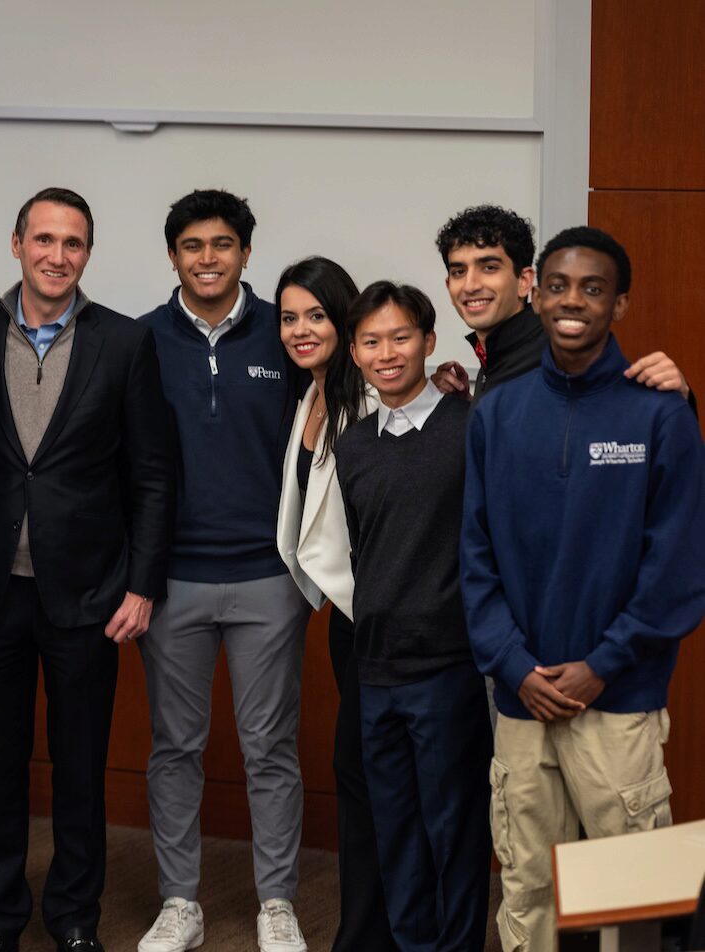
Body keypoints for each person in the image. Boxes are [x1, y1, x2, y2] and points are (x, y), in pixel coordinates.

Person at [463, 227, 705, 952]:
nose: (574, 302)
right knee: (528, 887)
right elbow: (473, 558)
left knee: (629, 897)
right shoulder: (497, 416)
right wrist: (512, 666)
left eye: (593, 289)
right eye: (561, 286)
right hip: (522, 698)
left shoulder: (660, 414)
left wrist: (603, 663)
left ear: (620, 303)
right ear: (536, 294)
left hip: (621, 700)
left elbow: (678, 571)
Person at [0, 187, 173, 952]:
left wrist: (142, 583)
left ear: (88, 253)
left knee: (81, 772)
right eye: (43, 239)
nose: (57, 256)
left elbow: (151, 473)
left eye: (72, 243)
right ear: (16, 244)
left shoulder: (123, 342)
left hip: (88, 595)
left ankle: (75, 917)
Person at [136, 190, 310, 952]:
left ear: (247, 251)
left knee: (269, 748)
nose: (208, 257)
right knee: (175, 746)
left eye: (224, 244)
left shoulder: (289, 333)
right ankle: (181, 901)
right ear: (172, 254)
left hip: (269, 578)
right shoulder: (137, 340)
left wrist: (445, 379)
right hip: (171, 582)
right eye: (193, 245)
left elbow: (358, 399)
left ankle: (277, 901)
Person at [335, 282, 491, 952]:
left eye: (401, 337)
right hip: (375, 672)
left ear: (429, 343)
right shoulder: (354, 446)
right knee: (394, 832)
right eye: (371, 341)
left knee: (453, 832)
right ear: (355, 352)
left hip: (448, 670)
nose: (387, 353)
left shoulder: (470, 427)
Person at [270, 258, 395, 952]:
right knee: (357, 776)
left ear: (345, 322)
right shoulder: (310, 396)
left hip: (384, 622)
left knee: (375, 780)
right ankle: (362, 931)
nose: (300, 329)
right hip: (346, 624)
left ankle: (373, 935)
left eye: (316, 315)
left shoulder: (374, 401)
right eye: (289, 317)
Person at [431, 204, 692, 406]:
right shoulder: (498, 351)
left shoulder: (558, 352)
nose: (470, 284)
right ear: (448, 286)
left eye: (489, 267)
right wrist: (469, 404)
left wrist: (679, 397)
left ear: (524, 281)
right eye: (458, 271)